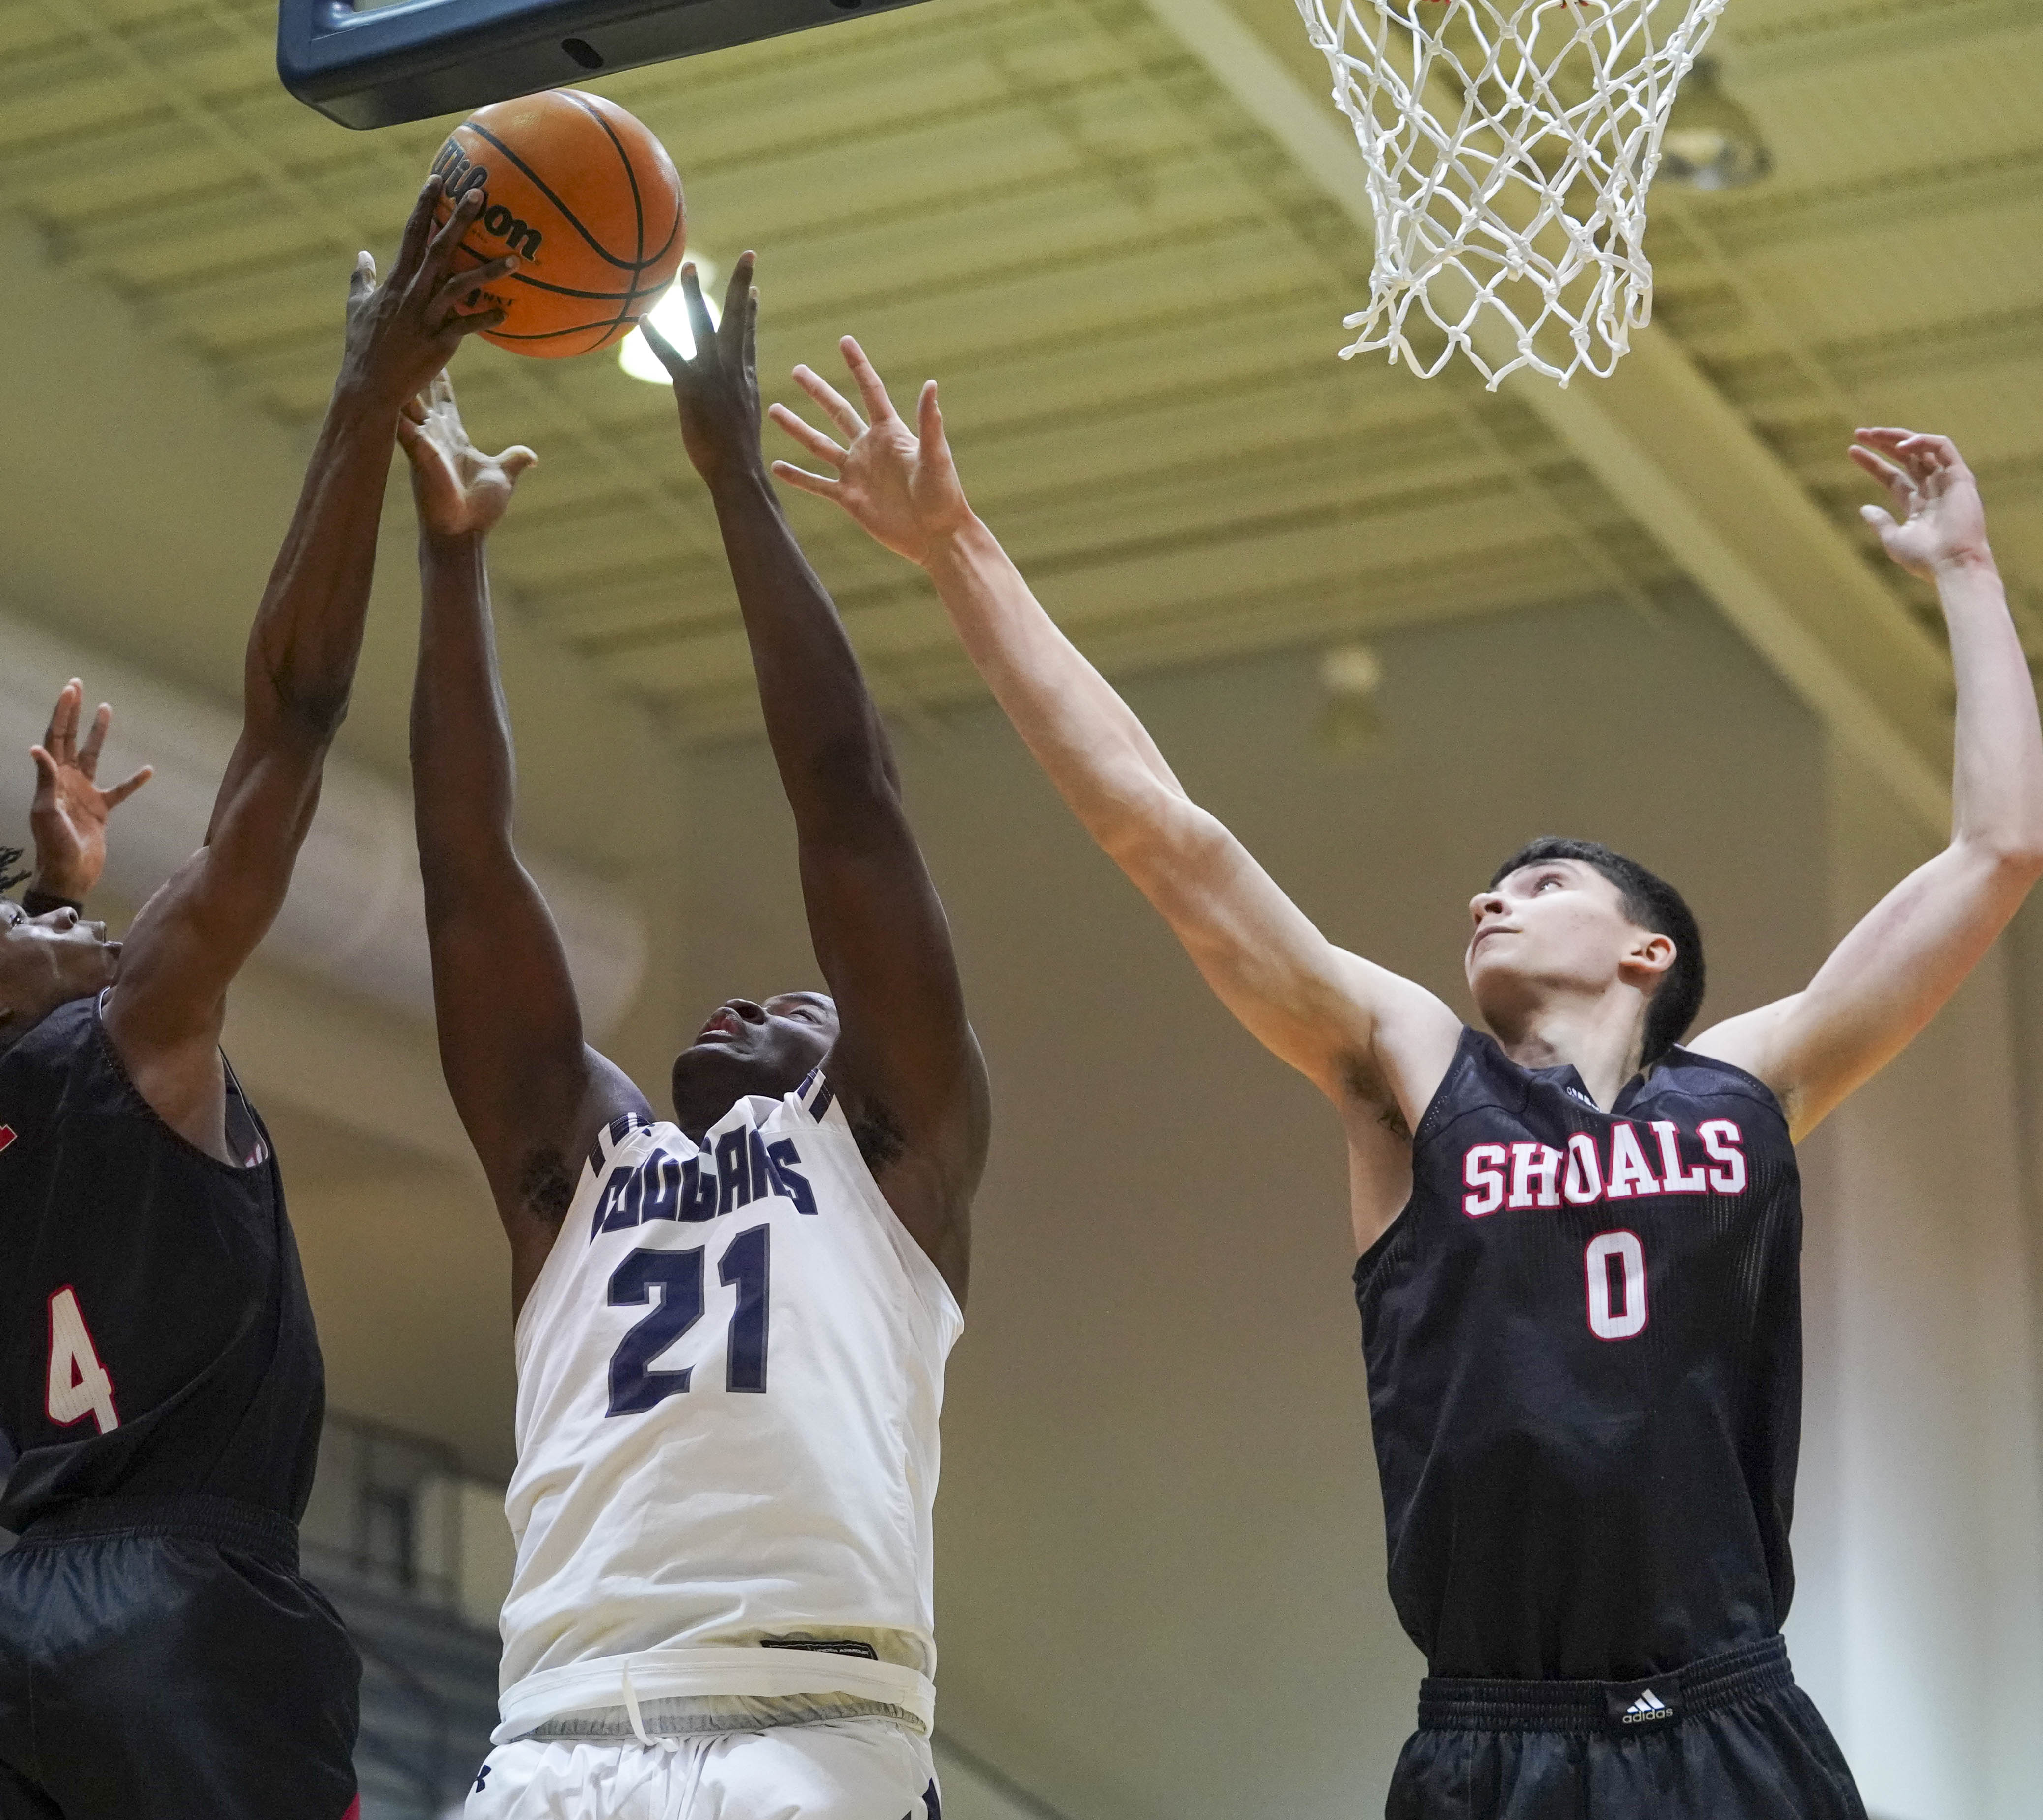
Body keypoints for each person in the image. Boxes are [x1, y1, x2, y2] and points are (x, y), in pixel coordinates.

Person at [773, 352, 2040, 1818]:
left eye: (1540, 880)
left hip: (1722, 1706)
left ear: (1646, 950)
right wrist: (953, 549)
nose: (1487, 899)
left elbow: (1991, 854)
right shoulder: (1410, 1067)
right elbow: (1161, 834)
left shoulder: (1745, 1080)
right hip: (1492, 1733)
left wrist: (1959, 564)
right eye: (1486, 887)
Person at [0, 175, 514, 1820]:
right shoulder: (139, 1032)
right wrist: (365, 400)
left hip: (24, 1635)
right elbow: (294, 714)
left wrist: (56, 904)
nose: (66, 926)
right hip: (188, 1613)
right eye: (20, 927)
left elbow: (25, 1086)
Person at [406, 256, 986, 1817]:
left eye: (796, 998)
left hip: (805, 1725)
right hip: (553, 1733)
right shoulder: (573, 1169)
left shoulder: (884, 1151)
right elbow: (468, 884)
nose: (748, 997)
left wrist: (735, 478)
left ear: (850, 1045)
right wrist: (453, 564)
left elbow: (844, 794)